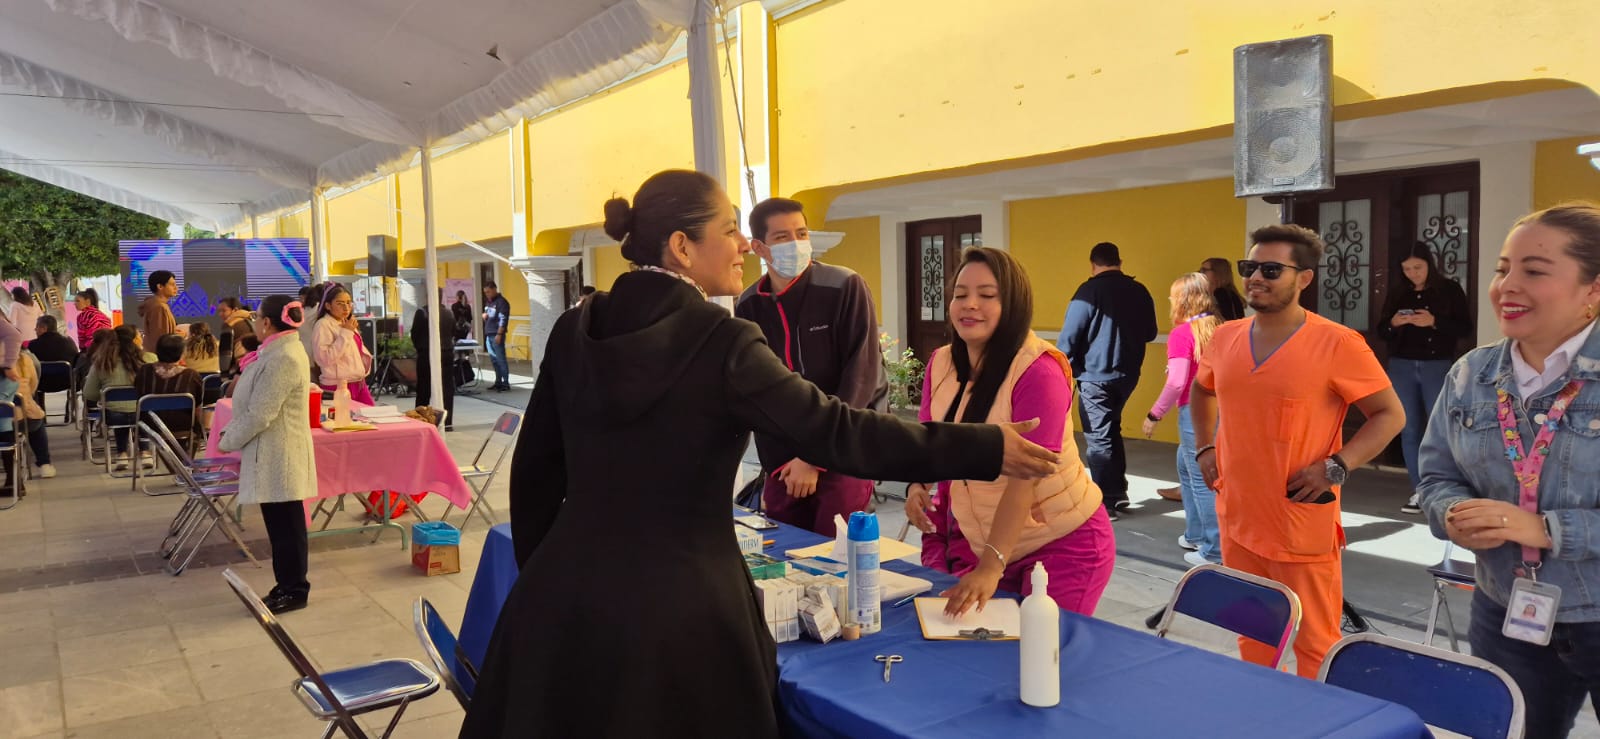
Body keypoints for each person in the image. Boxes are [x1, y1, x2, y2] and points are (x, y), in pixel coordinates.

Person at [460, 169, 1059, 738]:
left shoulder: (574, 329)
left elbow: (535, 473)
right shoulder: (721, 341)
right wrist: (985, 445)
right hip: (684, 610)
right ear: (681, 246)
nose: (745, 243)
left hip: (565, 598)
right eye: (728, 230)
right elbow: (839, 431)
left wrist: (549, 576)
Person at [1191, 223, 1405, 678]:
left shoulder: (1337, 344)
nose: (1256, 278)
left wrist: (1337, 466)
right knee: (1252, 631)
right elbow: (1201, 390)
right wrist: (1205, 446)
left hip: (1298, 518)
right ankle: (1264, 715)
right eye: (1250, 267)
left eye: (1271, 269)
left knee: (1315, 642)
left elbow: (1389, 414)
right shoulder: (1226, 337)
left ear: (1304, 278)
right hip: (1238, 516)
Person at [1419, 202, 1600, 738]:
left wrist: (1547, 529)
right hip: (1506, 612)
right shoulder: (1472, 373)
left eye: (1534, 271)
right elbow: (1435, 476)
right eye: (1502, 268)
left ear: (1593, 290)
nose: (1506, 286)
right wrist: (1450, 513)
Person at [907, 247, 1116, 616]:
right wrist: (917, 487)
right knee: (986, 660)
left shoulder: (1039, 371)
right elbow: (930, 446)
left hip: (1063, 544)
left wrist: (990, 567)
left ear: (1014, 304)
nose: (970, 304)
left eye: (987, 296)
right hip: (987, 544)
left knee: (1044, 658)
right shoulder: (940, 363)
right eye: (960, 294)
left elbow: (1025, 479)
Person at [735, 197, 888, 536]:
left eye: (801, 233)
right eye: (782, 237)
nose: (796, 244)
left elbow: (861, 377)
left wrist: (814, 457)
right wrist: (788, 460)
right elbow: (757, 390)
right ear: (759, 247)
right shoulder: (748, 306)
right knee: (786, 562)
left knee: (839, 559)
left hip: (843, 452)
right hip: (783, 465)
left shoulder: (844, 287)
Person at [218, 294, 317, 614]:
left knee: (287, 527)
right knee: (281, 526)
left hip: (280, 454)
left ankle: (294, 589)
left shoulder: (284, 357)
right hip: (274, 452)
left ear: (266, 323)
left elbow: (262, 413)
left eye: (257, 316)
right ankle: (286, 584)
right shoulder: (277, 352)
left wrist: (229, 438)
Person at [1057, 241, 1158, 519]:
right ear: (1120, 261)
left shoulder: (1088, 291)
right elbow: (1151, 332)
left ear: (1093, 264)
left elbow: (1069, 337)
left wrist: (1059, 367)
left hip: (1094, 376)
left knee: (1099, 437)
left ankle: (1105, 502)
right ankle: (1118, 492)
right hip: (1128, 375)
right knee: (1111, 429)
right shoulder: (1139, 291)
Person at [1378, 242, 1472, 515]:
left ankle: (1445, 488)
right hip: (1402, 365)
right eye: (1407, 269)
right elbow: (1382, 330)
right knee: (1408, 427)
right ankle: (1419, 490)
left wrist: (1433, 322)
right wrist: (1395, 323)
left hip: (1437, 364)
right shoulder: (1398, 293)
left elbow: (1464, 327)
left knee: (1440, 427)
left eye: (1418, 267)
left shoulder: (1449, 290)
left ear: (1429, 264)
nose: (1412, 274)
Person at [1142, 273, 1223, 566]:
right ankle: (1196, 533)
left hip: (1193, 412)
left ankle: (1213, 549)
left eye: (1173, 296)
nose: (1169, 301)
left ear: (1182, 301)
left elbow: (1176, 382)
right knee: (1187, 468)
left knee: (1202, 479)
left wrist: (1154, 414)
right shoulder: (1218, 328)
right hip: (1219, 410)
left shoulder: (1181, 334)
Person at [82, 325, 154, 470]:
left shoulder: (102, 361)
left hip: (114, 416)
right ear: (134, 340)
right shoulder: (150, 359)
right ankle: (145, 452)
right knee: (142, 410)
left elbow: (89, 393)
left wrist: (104, 397)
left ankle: (122, 454)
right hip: (144, 414)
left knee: (118, 410)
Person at [311, 283, 375, 405]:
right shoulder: (323, 325)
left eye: (348, 302)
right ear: (328, 306)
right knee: (344, 421)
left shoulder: (346, 322)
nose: (346, 308)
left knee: (370, 419)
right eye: (340, 304)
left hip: (359, 382)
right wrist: (346, 332)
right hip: (337, 385)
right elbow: (324, 358)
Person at [137, 333, 206, 443]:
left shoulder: (144, 371)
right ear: (182, 353)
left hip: (149, 425)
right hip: (182, 425)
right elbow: (197, 407)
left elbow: (139, 394)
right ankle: (182, 459)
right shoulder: (191, 375)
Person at [411, 291, 456, 431]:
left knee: (424, 388)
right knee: (447, 389)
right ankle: (447, 422)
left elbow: (414, 334)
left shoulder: (421, 313)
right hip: (446, 353)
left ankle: (421, 418)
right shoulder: (449, 313)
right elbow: (453, 332)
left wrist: (420, 348)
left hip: (427, 353)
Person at [13, 348, 55, 480]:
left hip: (4, 420)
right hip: (24, 418)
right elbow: (33, 385)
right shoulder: (25, 359)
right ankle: (44, 464)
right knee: (36, 421)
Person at [27, 315, 78, 411]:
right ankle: (70, 413)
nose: (35, 330)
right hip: (67, 381)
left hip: (41, 383)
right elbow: (75, 361)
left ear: (43, 328)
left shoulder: (33, 345)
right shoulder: (69, 342)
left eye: (37, 327)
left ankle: (41, 414)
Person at [0, 310, 22, 495]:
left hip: (2, 377)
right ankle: (13, 480)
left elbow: (14, 334)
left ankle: (13, 481)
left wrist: (8, 364)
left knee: (3, 422)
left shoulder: (3, 325)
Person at [482, 281, 512, 391]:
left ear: (494, 289)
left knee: (500, 359)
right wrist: (485, 316)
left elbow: (503, 320)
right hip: (489, 334)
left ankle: (505, 383)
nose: (487, 294)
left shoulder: (502, 302)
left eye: (488, 292)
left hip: (496, 334)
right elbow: (490, 314)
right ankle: (498, 381)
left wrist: (499, 334)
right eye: (485, 292)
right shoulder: (489, 302)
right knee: (494, 359)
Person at [216, 297, 255, 375]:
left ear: (235, 310)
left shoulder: (229, 325)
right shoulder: (250, 321)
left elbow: (225, 354)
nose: (220, 314)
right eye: (219, 311)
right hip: (253, 366)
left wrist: (224, 375)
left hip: (238, 369)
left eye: (224, 310)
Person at [140, 270, 179, 344]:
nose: (176, 288)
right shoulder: (159, 307)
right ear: (160, 286)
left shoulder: (159, 305)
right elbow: (161, 338)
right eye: (172, 284)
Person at [297, 283, 326, 381]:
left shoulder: (301, 311)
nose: (301, 300)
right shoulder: (319, 309)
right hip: (316, 346)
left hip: (305, 347)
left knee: (312, 376)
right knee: (318, 375)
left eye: (302, 298)